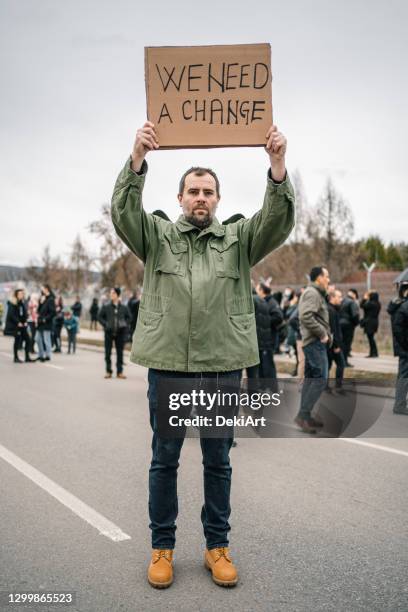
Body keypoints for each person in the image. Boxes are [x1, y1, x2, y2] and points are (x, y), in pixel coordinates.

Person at [111, 121, 294, 588]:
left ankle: (217, 547)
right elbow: (122, 212)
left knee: (218, 461)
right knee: (164, 459)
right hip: (169, 366)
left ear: (218, 199)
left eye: (208, 191)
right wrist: (136, 159)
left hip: (221, 367)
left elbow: (276, 222)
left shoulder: (238, 241)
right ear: (179, 198)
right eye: (193, 190)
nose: (201, 198)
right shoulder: (155, 237)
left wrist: (276, 168)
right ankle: (162, 549)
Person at [295, 266, 331, 434]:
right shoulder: (312, 293)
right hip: (315, 343)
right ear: (318, 278)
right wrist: (322, 333)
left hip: (314, 343)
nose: (328, 280)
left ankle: (305, 416)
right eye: (327, 276)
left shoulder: (316, 293)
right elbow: (305, 316)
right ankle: (303, 415)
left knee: (311, 380)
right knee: (320, 380)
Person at [98, 287, 130, 379]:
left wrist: (124, 324)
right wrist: (106, 324)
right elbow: (99, 317)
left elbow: (129, 317)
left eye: (113, 293)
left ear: (117, 295)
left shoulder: (124, 307)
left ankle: (119, 372)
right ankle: (108, 371)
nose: (111, 295)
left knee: (120, 353)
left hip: (120, 333)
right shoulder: (106, 306)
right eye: (111, 293)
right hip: (108, 333)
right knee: (107, 353)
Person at [387, 277, 408, 415]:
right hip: (405, 347)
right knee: (404, 376)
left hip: (402, 346)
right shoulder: (404, 306)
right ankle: (399, 405)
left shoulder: (398, 304)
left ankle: (400, 404)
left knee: (403, 375)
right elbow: (398, 329)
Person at [4, 289, 35, 363]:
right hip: (15, 325)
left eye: (22, 294)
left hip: (22, 325)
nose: (22, 295)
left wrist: (25, 321)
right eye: (20, 294)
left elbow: (24, 314)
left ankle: (27, 357)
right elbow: (11, 315)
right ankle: (15, 357)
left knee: (28, 340)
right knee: (17, 340)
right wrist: (18, 322)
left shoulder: (22, 303)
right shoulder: (13, 303)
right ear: (16, 295)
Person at [327, 289, 346, 392]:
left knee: (328, 365)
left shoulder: (333, 309)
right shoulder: (331, 310)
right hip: (333, 344)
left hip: (330, 344)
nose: (341, 299)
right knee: (341, 364)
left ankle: (326, 386)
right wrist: (336, 345)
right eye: (339, 297)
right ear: (332, 298)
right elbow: (332, 329)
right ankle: (338, 386)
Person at [339, 289, 360, 366]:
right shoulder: (352, 302)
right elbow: (355, 315)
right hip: (348, 325)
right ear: (354, 295)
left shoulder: (342, 301)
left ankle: (341, 361)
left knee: (342, 343)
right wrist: (356, 323)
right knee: (347, 344)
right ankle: (345, 362)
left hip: (340, 324)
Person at [36, 285, 56, 362]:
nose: (41, 290)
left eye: (42, 289)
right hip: (40, 322)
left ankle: (48, 355)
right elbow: (39, 311)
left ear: (46, 289)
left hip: (46, 323)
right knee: (37, 339)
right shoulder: (43, 298)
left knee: (46, 340)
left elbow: (53, 312)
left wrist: (45, 319)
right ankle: (40, 355)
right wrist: (40, 302)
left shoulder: (51, 299)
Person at [360, 290, 381, 358]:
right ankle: (374, 352)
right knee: (371, 338)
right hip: (374, 322)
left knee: (370, 338)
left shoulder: (371, 304)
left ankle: (373, 353)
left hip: (369, 323)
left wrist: (364, 298)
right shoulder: (378, 303)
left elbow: (362, 305)